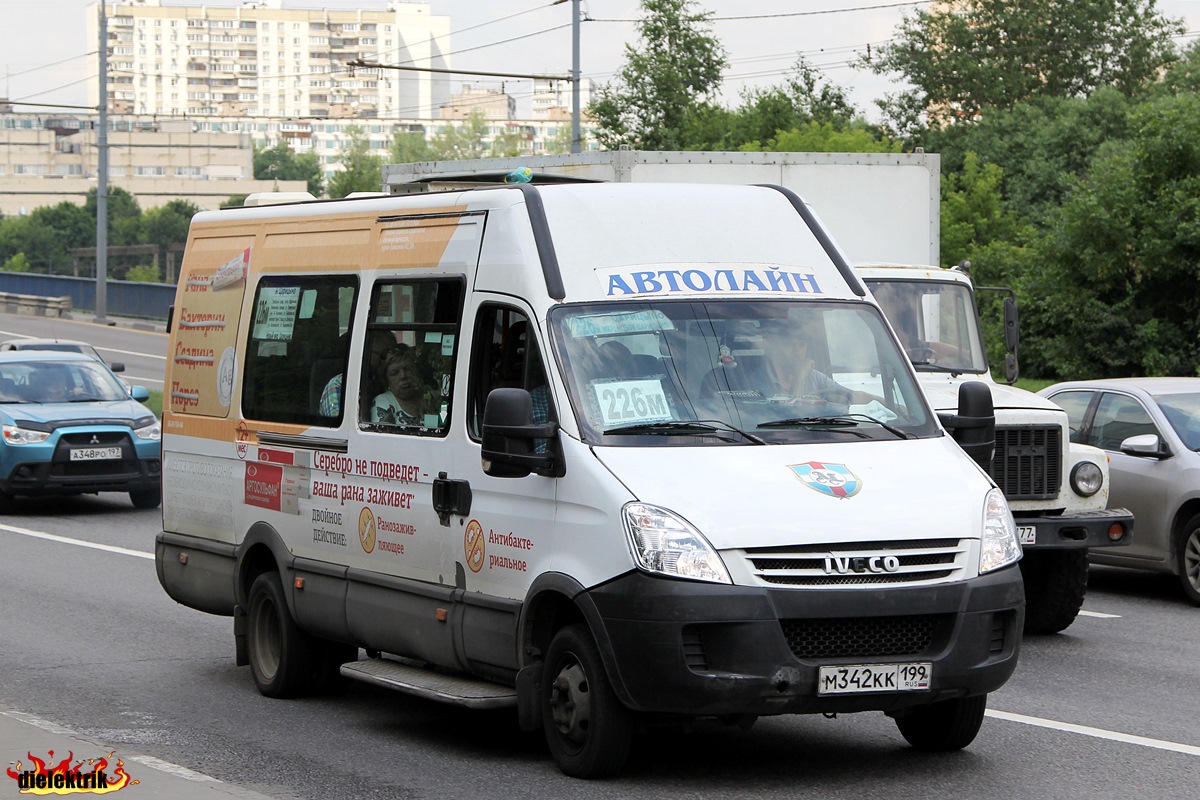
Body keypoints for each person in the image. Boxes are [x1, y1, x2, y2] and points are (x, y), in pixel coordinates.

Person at [319, 331, 395, 417]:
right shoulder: (338, 386)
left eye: (392, 353)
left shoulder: (388, 382)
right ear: (365, 353)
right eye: (384, 355)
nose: (389, 359)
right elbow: (341, 427)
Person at [371, 344, 426, 425]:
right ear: (386, 379)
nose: (403, 376)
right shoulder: (383, 401)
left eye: (407, 369)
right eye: (394, 373)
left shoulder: (427, 397)